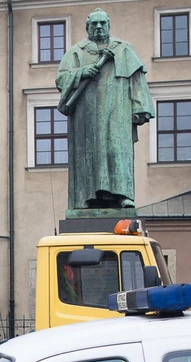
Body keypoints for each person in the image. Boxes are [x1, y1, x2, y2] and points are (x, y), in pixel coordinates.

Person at [56, 8, 154, 211]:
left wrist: (140, 106)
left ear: (109, 26)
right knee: (89, 155)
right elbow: (61, 78)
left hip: (118, 111)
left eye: (102, 23)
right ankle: (87, 196)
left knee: (117, 151)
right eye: (94, 24)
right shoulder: (76, 52)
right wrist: (82, 72)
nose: (99, 27)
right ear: (87, 28)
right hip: (86, 115)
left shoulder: (124, 49)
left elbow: (137, 80)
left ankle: (123, 195)